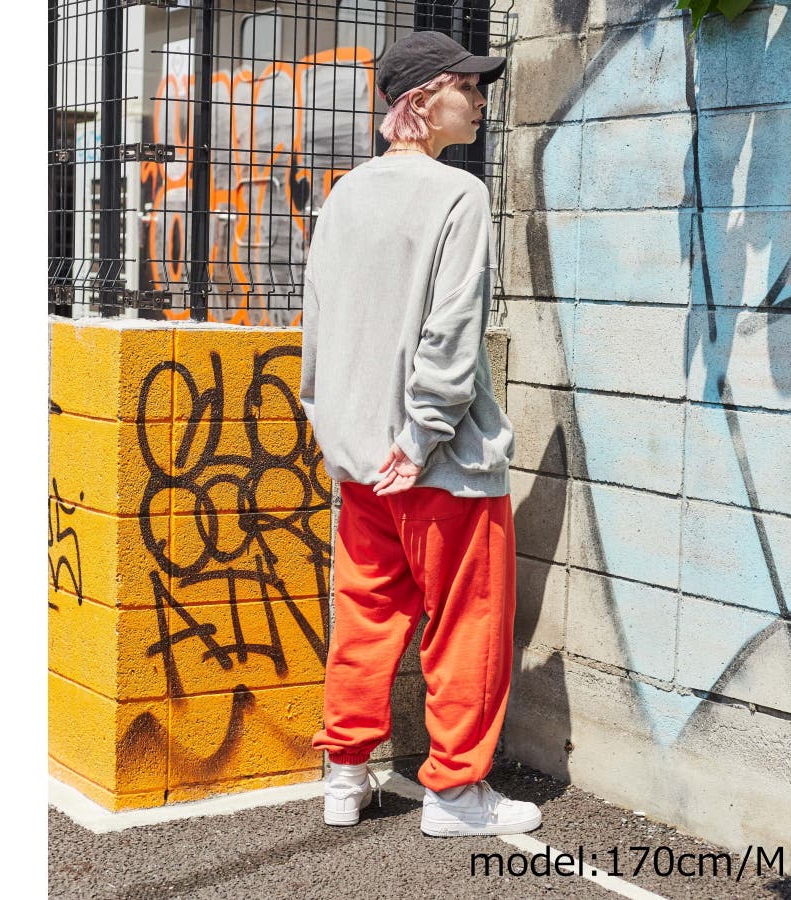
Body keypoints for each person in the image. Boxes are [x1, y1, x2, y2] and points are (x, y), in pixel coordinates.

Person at [298, 30, 541, 838]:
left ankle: (344, 778)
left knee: (365, 617)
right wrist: (424, 434)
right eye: (466, 87)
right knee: (467, 625)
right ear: (421, 100)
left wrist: (336, 428)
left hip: (361, 460)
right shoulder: (458, 195)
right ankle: (456, 795)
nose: (479, 101)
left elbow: (317, 327)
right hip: (439, 462)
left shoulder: (343, 196)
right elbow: (452, 331)